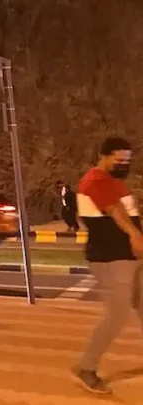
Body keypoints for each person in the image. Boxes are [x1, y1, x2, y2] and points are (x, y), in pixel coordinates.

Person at [73, 136, 143, 395]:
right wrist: (134, 235)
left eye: (128, 159)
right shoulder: (95, 180)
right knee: (118, 315)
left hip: (130, 257)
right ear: (104, 155)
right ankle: (86, 368)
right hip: (110, 258)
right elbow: (115, 211)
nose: (125, 163)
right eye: (120, 158)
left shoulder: (114, 182)